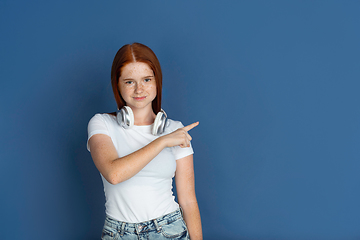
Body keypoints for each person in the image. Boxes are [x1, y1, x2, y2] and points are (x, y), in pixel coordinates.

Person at [87, 43, 203, 240]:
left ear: (157, 82)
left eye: (147, 79)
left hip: (168, 229)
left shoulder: (176, 130)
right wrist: (162, 142)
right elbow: (114, 174)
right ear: (118, 85)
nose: (139, 89)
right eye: (130, 82)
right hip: (119, 233)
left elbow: (188, 201)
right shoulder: (102, 123)